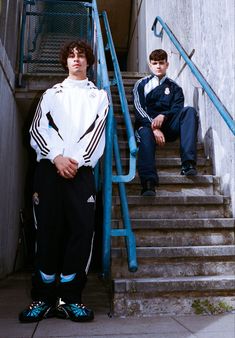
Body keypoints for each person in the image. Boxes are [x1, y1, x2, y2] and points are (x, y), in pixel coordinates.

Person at [19, 40, 109, 323]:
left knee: (81, 234)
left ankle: (70, 300)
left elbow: (96, 133)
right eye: (71, 56)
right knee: (46, 231)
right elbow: (37, 129)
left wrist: (75, 162)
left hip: (81, 173)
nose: (76, 60)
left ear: (89, 61)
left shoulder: (99, 96)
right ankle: (43, 299)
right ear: (65, 62)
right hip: (49, 169)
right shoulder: (51, 94)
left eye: (81, 56)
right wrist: (56, 157)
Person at [133, 49, 198, 196]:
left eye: (161, 63)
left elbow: (177, 108)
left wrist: (163, 115)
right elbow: (138, 108)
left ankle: (188, 163)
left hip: (168, 127)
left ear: (167, 64)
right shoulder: (141, 84)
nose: (158, 66)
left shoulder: (175, 87)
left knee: (189, 111)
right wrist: (153, 127)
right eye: (154, 63)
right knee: (144, 134)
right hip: (146, 127)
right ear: (150, 65)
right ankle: (148, 183)